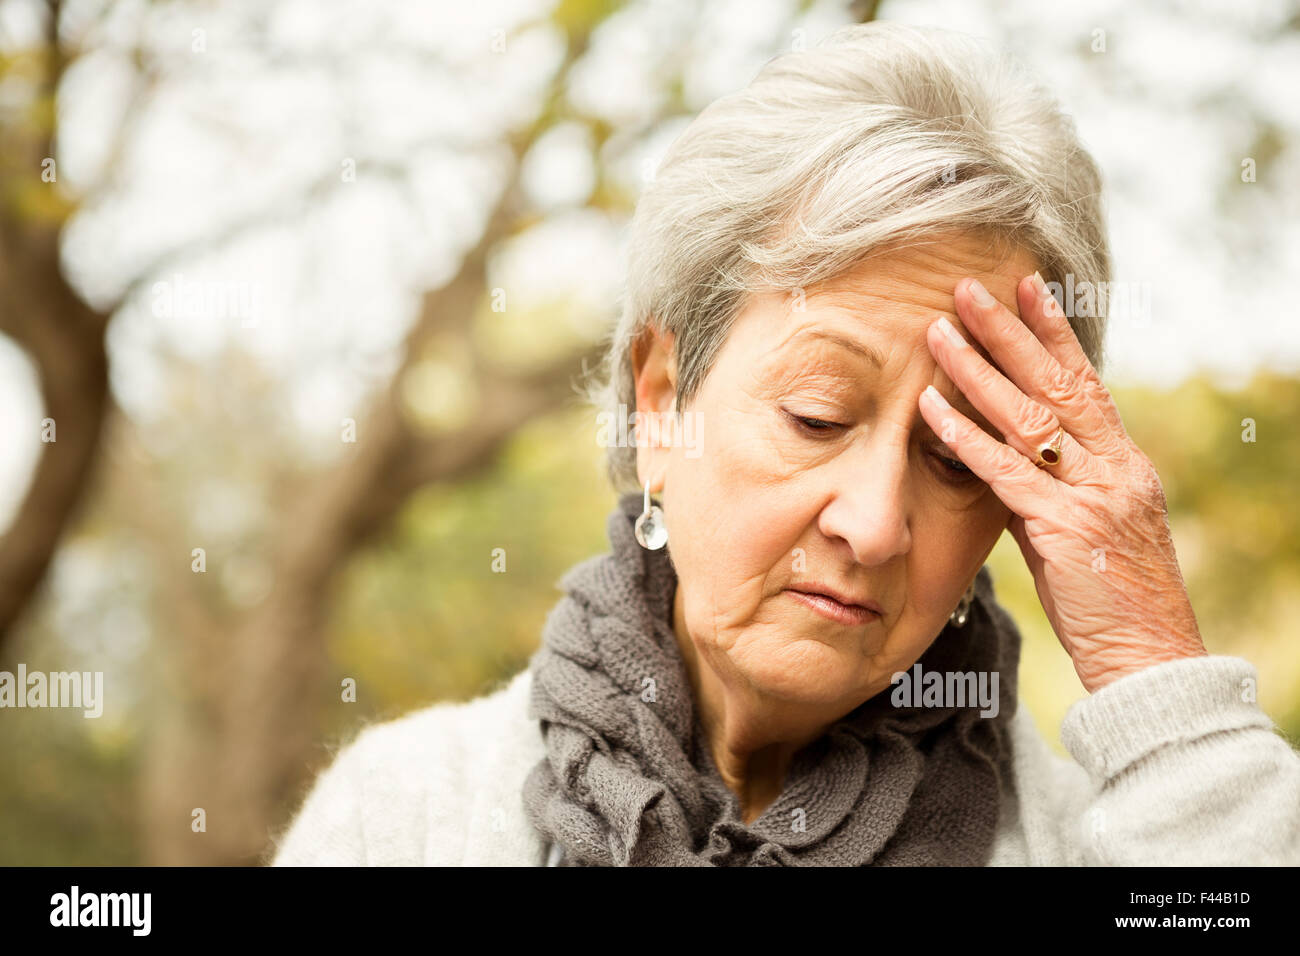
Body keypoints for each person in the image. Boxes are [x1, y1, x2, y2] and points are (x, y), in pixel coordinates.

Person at [270, 21, 1300, 866]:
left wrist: (1150, 664)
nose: (873, 523)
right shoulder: (402, 821)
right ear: (661, 401)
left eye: (955, 453)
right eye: (816, 415)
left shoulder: (1121, 849)